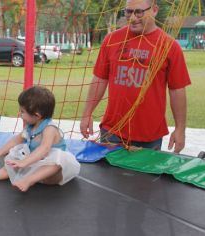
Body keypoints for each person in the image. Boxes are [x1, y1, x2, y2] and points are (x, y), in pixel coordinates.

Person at [80, 0, 191, 153]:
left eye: (138, 12)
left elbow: (177, 90)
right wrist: (87, 114)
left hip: (149, 135)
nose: (132, 18)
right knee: (109, 177)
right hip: (112, 131)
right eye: (128, 12)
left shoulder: (170, 46)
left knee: (144, 178)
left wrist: (180, 129)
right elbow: (99, 79)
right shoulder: (111, 40)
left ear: (154, 10)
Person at [0, 86, 80, 192]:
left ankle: (29, 180)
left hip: (53, 174)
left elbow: (44, 149)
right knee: (16, 152)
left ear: (37, 115)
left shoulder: (50, 129)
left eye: (22, 112)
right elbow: (15, 141)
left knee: (59, 159)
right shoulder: (30, 128)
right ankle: (4, 172)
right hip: (36, 165)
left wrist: (25, 162)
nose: (20, 114)